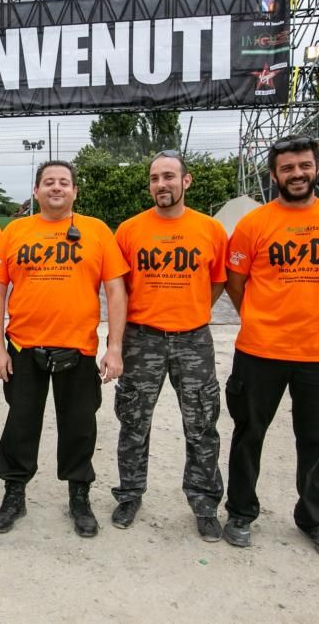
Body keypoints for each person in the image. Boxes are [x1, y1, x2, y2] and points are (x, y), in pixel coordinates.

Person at [222, 135, 319, 561]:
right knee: (249, 434)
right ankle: (240, 513)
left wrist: (318, 311)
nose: (297, 174)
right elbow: (235, 282)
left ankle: (313, 520)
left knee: (316, 440)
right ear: (274, 175)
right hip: (259, 349)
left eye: (304, 165)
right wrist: (258, 317)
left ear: (317, 168)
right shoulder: (253, 224)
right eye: (287, 168)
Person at [0, 160, 129, 537]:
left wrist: (114, 347)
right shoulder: (16, 231)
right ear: (36, 191)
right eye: (48, 182)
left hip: (78, 350)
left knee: (80, 426)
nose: (56, 187)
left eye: (64, 182)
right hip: (23, 348)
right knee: (20, 425)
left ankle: (79, 497)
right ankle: (14, 495)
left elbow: (116, 290)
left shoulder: (96, 231)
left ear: (75, 191)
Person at [110, 150, 228, 541]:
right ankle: (129, 495)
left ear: (186, 181)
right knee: (133, 422)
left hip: (193, 340)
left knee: (202, 424)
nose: (161, 184)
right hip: (142, 338)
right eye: (155, 178)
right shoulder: (129, 231)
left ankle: (205, 504)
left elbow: (217, 282)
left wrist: (190, 312)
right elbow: (120, 289)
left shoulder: (210, 230)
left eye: (169, 177)